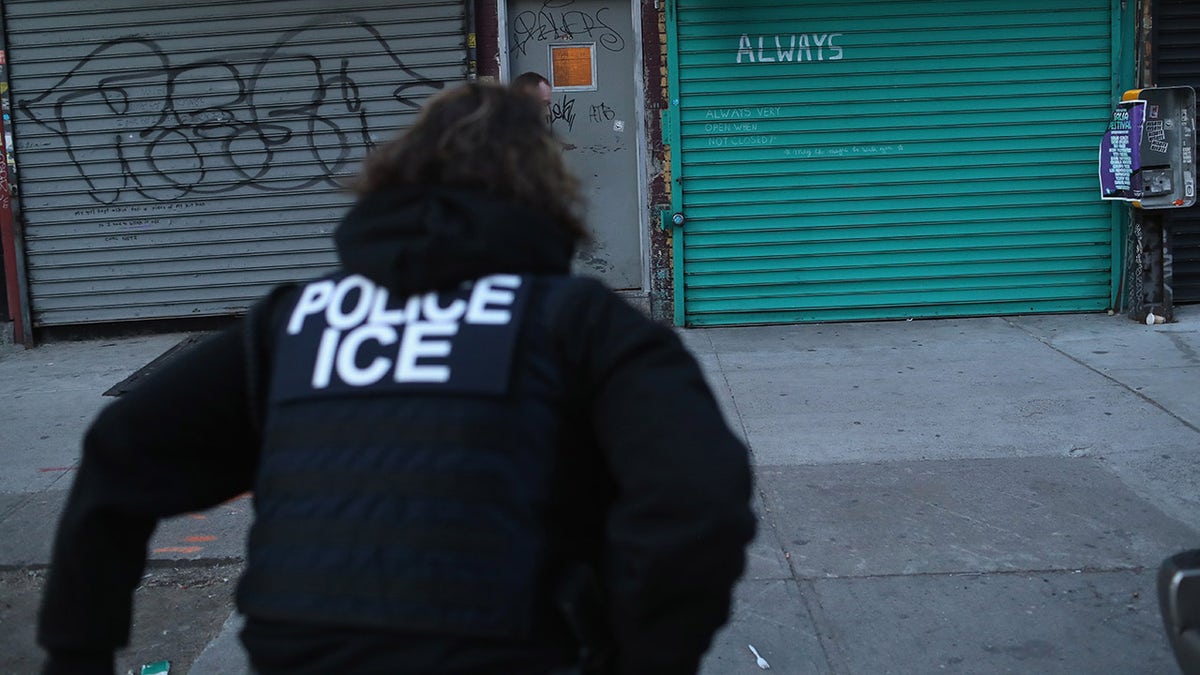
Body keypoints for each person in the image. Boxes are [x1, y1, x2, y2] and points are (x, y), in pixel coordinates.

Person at [37, 82, 756, 675]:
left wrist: (77, 650)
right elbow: (698, 498)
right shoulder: (575, 319)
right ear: (546, 190)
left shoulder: (295, 321)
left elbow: (121, 453)